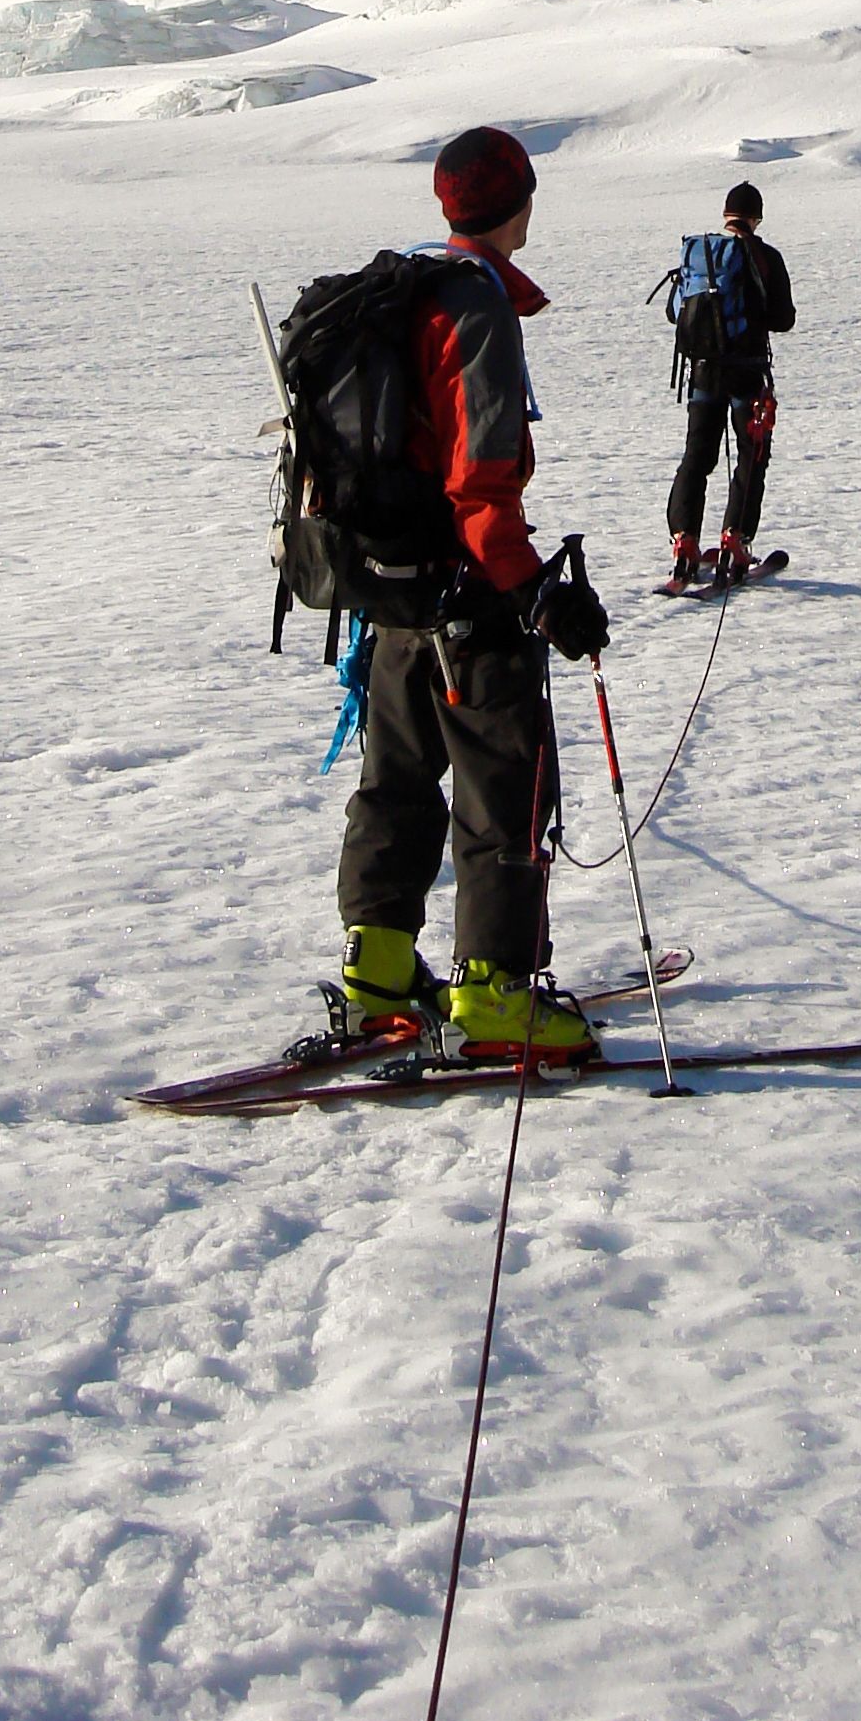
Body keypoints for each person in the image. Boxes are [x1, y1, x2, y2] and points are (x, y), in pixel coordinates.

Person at [333, 125, 611, 1062]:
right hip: (466, 596)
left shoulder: (409, 286)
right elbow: (481, 487)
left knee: (397, 783)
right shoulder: (477, 304)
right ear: (518, 202)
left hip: (393, 594)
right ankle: (494, 995)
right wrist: (538, 595)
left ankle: (377, 972)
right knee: (504, 788)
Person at [664, 178, 798, 587]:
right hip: (747, 374)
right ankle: (735, 540)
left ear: (726, 215)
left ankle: (684, 542)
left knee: (696, 457)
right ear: (756, 218)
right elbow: (784, 319)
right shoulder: (764, 257)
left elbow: (675, 312)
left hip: (703, 372)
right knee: (751, 456)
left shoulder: (700, 253)